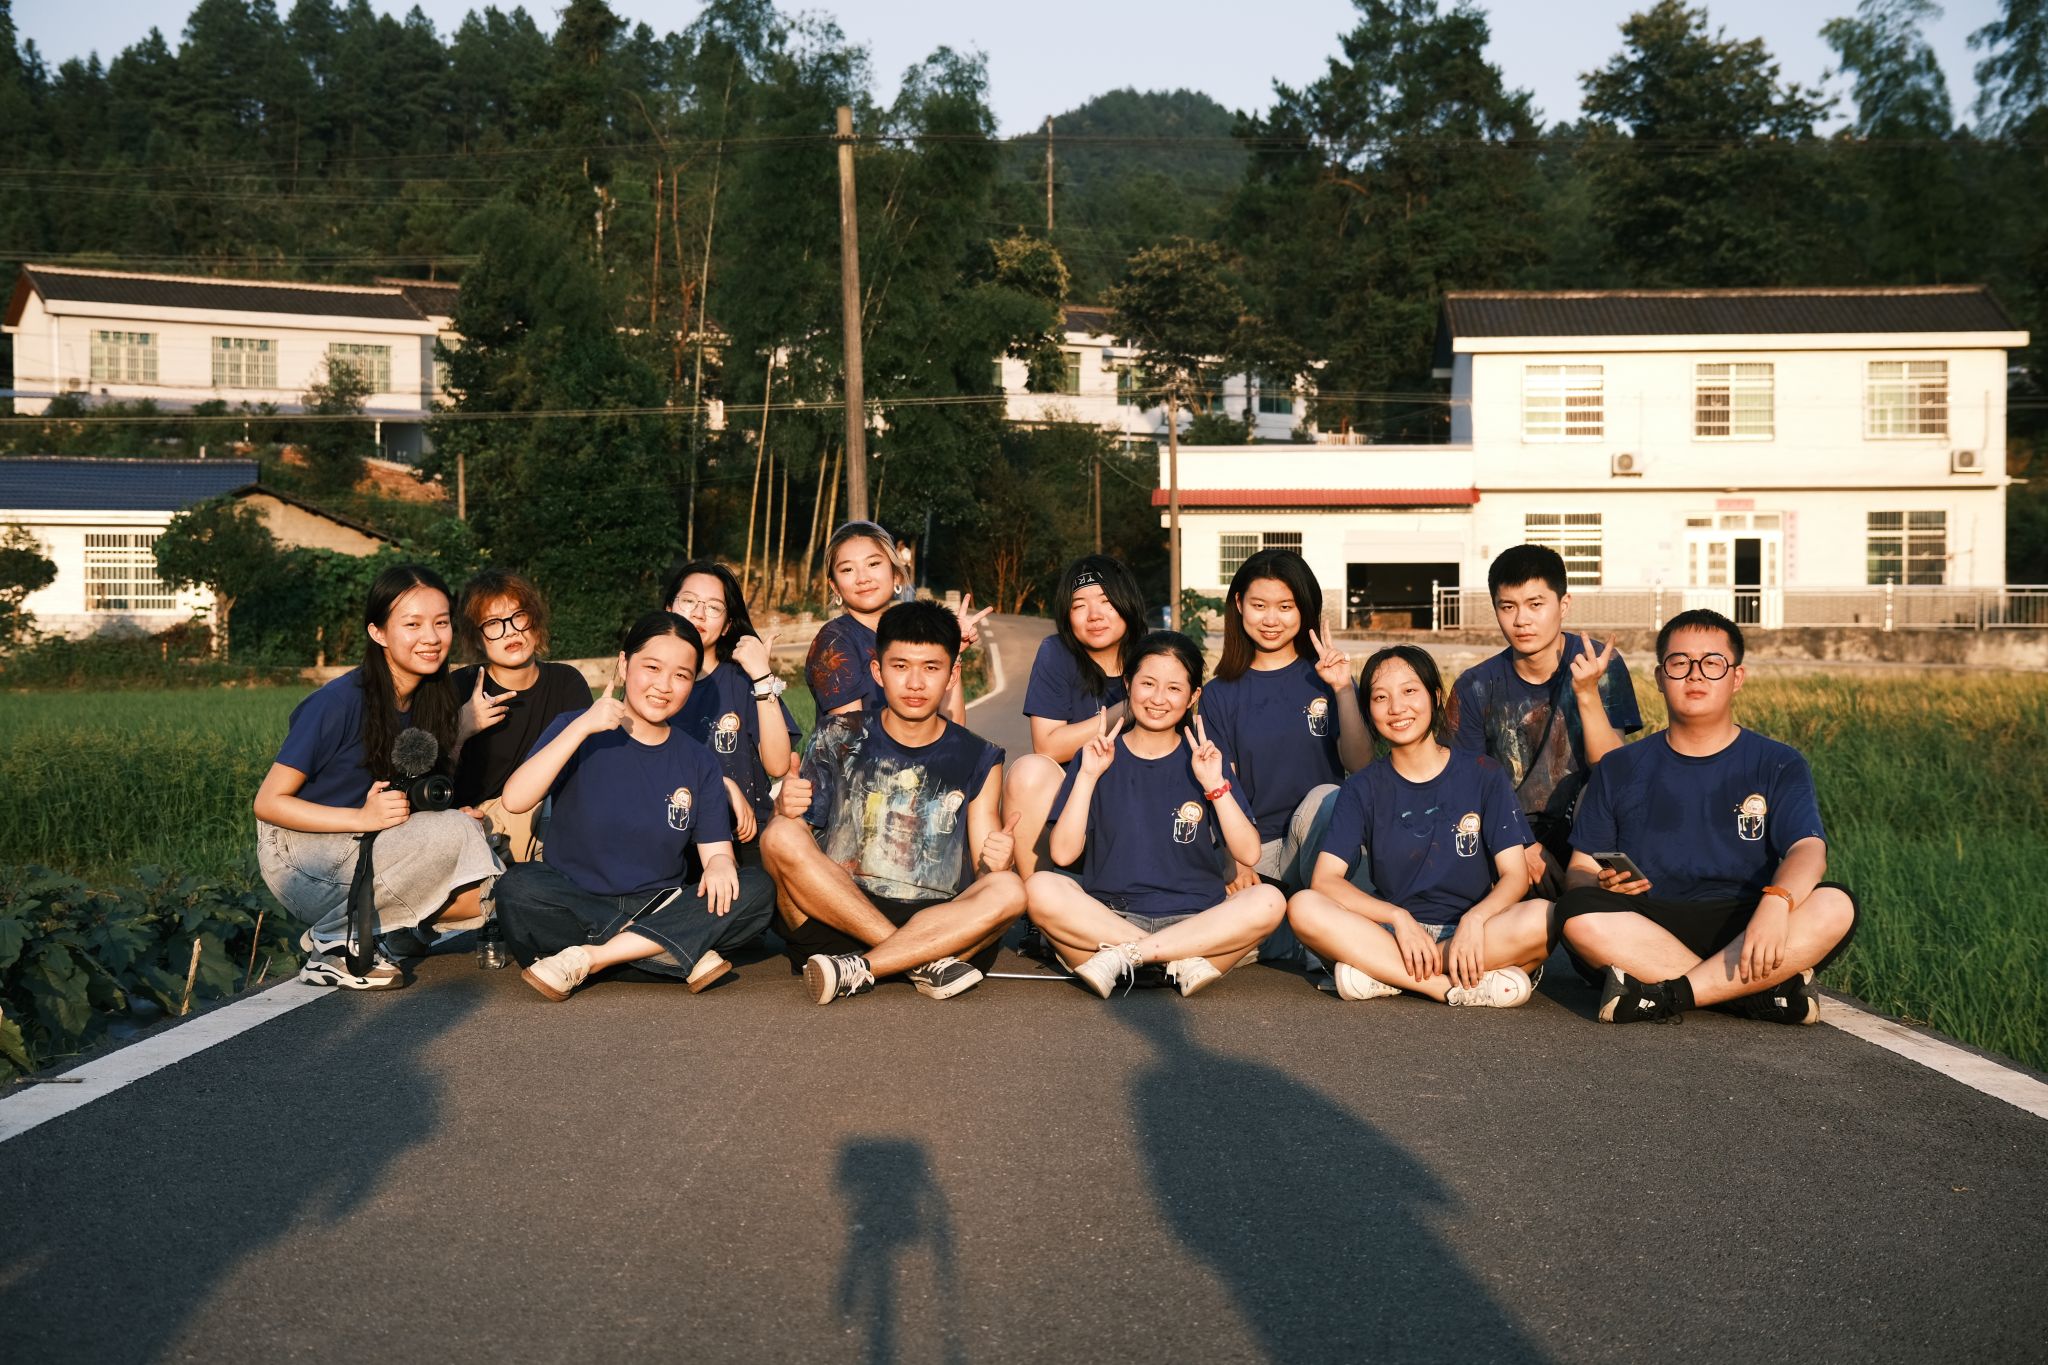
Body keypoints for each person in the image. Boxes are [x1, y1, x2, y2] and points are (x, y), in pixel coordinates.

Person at [1554, 609, 1860, 1025]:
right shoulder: (1620, 766)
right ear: (1660, 677)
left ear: (1737, 677)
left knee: (1835, 904)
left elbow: (1808, 848)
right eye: (1680, 663)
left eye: (1712, 663)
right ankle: (1753, 994)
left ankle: (1667, 994)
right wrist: (1600, 883)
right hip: (1648, 923)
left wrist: (1776, 903)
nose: (1695, 675)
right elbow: (1580, 870)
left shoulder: (1778, 762)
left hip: (1746, 920)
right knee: (1576, 911)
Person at [492, 610, 776, 1002]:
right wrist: (582, 727)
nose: (664, 685)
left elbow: (716, 855)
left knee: (756, 890)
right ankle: (669, 951)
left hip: (661, 903)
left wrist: (721, 864)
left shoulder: (698, 760)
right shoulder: (577, 726)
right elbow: (515, 799)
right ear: (624, 665)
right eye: (652, 668)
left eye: (681, 675)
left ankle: (593, 958)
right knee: (518, 887)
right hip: (575, 899)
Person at [763, 600, 1026, 1004]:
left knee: (1010, 889)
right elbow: (790, 843)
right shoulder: (838, 734)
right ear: (877, 671)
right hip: (837, 914)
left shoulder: (980, 755)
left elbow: (986, 869)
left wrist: (1000, 860)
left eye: (931, 668)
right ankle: (915, 962)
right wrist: (785, 808)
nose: (915, 683)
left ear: (953, 675)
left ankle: (863, 967)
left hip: (936, 920)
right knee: (779, 834)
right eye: (900, 666)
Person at [254, 564, 502, 990]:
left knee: (483, 888)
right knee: (457, 836)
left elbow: (408, 792)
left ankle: (392, 931)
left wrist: (459, 737)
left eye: (441, 623)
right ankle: (333, 943)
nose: (431, 637)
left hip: (364, 844)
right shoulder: (339, 702)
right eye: (413, 624)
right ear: (378, 632)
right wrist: (363, 818)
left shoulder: (429, 697)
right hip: (300, 856)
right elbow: (268, 803)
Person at [1024, 631, 1284, 998]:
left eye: (1174, 689)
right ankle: (1175, 959)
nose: (1158, 699)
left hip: (1197, 919)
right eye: (1147, 683)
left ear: (1193, 696)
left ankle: (1128, 959)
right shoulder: (1095, 756)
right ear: (1128, 684)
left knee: (1269, 901)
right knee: (1040, 888)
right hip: (1111, 918)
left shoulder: (1208, 761)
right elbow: (1063, 854)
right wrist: (1088, 776)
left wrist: (1215, 785)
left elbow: (1249, 852)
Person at [1286, 646, 1550, 1007]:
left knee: (1543, 917)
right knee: (1303, 907)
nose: (1397, 708)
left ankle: (1384, 973)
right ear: (1369, 710)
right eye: (1381, 697)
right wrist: (1398, 917)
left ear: (1435, 696)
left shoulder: (1483, 774)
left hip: (1474, 931)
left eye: (1410, 691)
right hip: (1393, 934)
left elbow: (1515, 876)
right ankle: (1443, 987)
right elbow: (1325, 880)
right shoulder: (1363, 787)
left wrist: (1475, 920)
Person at [1446, 544, 1642, 897]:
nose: (1522, 620)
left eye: (1536, 604)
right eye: (1508, 607)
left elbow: (1611, 767)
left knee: (1609, 795)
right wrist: (1521, 843)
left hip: (1585, 825)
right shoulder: (1474, 686)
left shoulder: (1599, 663)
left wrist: (1586, 692)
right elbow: (1466, 784)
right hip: (1505, 829)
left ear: (1563, 605)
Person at [1004, 554, 1149, 877]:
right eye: (1079, 605)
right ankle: (1036, 896)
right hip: (1074, 806)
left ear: (1127, 603)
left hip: (1139, 804)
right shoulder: (1056, 653)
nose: (1094, 615)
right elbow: (1047, 745)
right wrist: (1128, 709)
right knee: (1029, 772)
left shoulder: (1153, 655)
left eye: (1106, 601)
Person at [447, 569, 594, 862]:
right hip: (474, 825)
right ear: (476, 639)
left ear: (535, 623)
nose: (511, 631)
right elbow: (435, 778)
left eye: (519, 617)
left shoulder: (566, 683)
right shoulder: (460, 687)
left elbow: (586, 771)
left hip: (549, 820)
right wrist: (462, 729)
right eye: (493, 624)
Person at [663, 558, 801, 859]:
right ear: (669, 609)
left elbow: (777, 765)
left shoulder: (740, 681)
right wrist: (719, 784)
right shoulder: (652, 684)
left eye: (713, 607)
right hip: (670, 840)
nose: (699, 613)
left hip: (745, 839)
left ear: (727, 625)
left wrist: (762, 677)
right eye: (689, 601)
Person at [804, 520, 990, 724]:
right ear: (835, 586)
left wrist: (951, 650)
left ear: (896, 575)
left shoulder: (916, 631)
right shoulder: (834, 642)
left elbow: (952, 729)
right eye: (848, 569)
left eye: (873, 564)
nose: (863, 578)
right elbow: (850, 736)